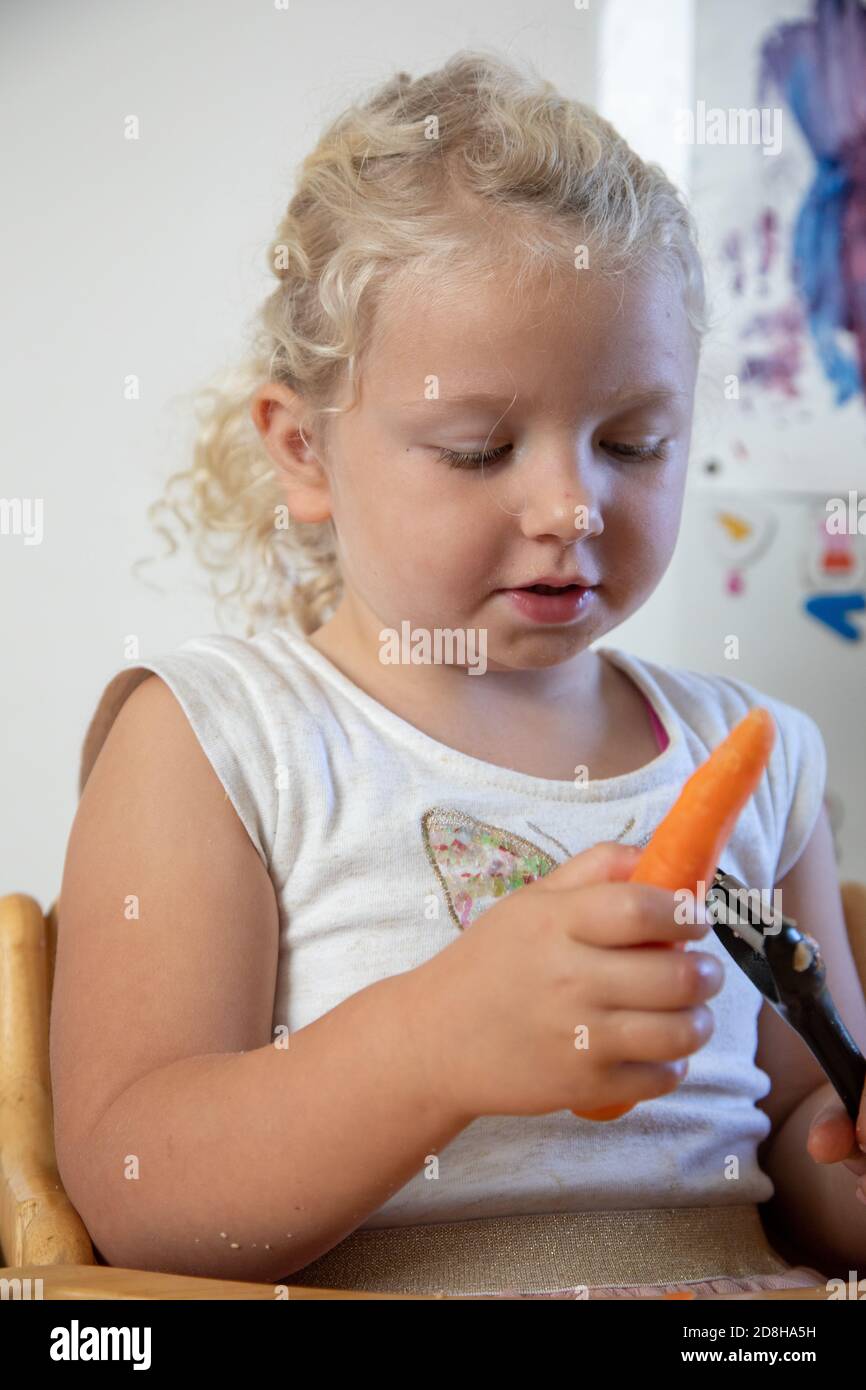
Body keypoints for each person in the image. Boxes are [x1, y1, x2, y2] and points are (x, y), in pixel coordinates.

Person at [50, 50, 866, 1299]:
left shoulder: (753, 754)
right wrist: (431, 1046)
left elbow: (807, 1115)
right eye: (479, 449)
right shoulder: (218, 743)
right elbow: (139, 1197)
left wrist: (844, 1164)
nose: (570, 507)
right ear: (302, 453)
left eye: (633, 441)